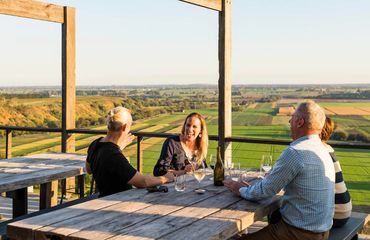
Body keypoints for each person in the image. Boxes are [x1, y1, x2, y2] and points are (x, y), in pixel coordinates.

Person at [224, 100, 335, 240]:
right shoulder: (323, 150)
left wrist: (239, 189)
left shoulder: (296, 152)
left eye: (292, 118)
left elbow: (264, 191)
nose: (290, 122)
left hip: (297, 233)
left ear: (300, 122)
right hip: (322, 232)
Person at [86, 106, 174, 197]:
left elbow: (89, 170)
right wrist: (165, 178)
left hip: (103, 197)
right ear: (124, 127)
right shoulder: (114, 155)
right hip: (117, 202)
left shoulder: (95, 144)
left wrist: (118, 148)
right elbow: (143, 182)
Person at [153, 112, 208, 176]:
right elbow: (159, 171)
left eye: (194, 127)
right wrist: (184, 172)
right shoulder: (172, 143)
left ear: (200, 131)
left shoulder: (199, 146)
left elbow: (204, 169)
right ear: (184, 126)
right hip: (174, 185)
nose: (190, 129)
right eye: (188, 125)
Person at [321, 117, 352, 228]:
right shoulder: (329, 148)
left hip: (336, 213)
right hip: (344, 208)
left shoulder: (318, 150)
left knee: (281, 213)